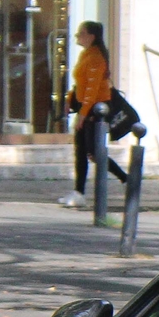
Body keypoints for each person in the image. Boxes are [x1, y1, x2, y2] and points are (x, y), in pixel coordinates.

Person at [64, 20, 111, 207]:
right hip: (87, 107)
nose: (77, 36)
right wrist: (70, 99)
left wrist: (82, 115)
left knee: (93, 152)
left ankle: (127, 178)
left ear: (91, 36)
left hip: (95, 110)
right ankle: (79, 192)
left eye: (80, 33)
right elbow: (80, 84)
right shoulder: (86, 54)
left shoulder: (96, 57)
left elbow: (91, 91)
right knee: (81, 151)